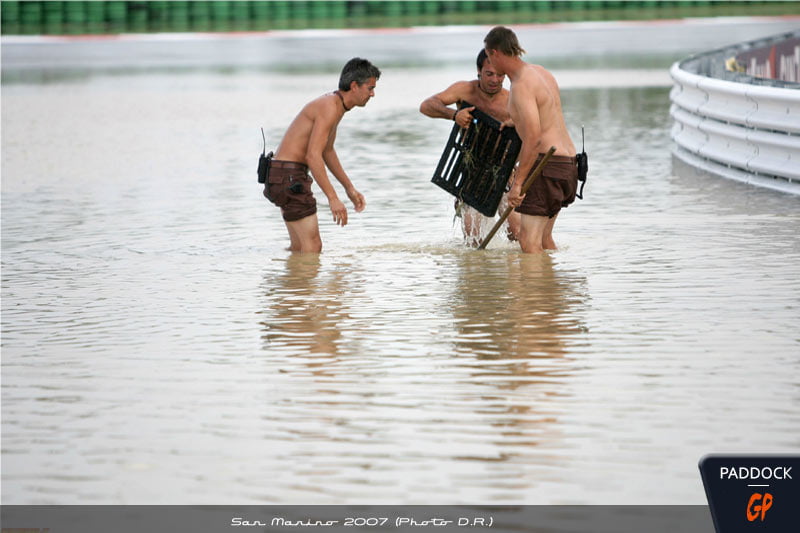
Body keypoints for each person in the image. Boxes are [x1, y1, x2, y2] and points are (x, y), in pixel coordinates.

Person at [263, 57, 381, 253]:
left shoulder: (336, 105)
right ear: (354, 86)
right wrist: (333, 198)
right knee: (313, 247)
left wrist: (349, 189)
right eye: (370, 88)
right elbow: (313, 156)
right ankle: (303, 283)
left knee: (300, 248)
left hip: (281, 175)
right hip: (290, 177)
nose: (373, 94)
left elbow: (327, 151)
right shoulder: (329, 107)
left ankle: (292, 282)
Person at [484, 26, 578, 254]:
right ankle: (553, 290)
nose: (489, 63)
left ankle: (535, 290)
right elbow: (546, 116)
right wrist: (516, 121)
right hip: (569, 164)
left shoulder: (520, 84)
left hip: (547, 166)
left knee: (528, 242)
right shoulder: (540, 72)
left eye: (488, 57)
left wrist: (517, 185)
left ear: (495, 52)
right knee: (544, 240)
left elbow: (534, 139)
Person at [419, 49, 520, 245]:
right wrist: (453, 115)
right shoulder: (464, 90)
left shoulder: (512, 100)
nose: (495, 80)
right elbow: (426, 106)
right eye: (489, 74)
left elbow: (534, 135)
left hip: (504, 171)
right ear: (479, 71)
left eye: (500, 75)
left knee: (518, 234)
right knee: (473, 239)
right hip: (471, 172)